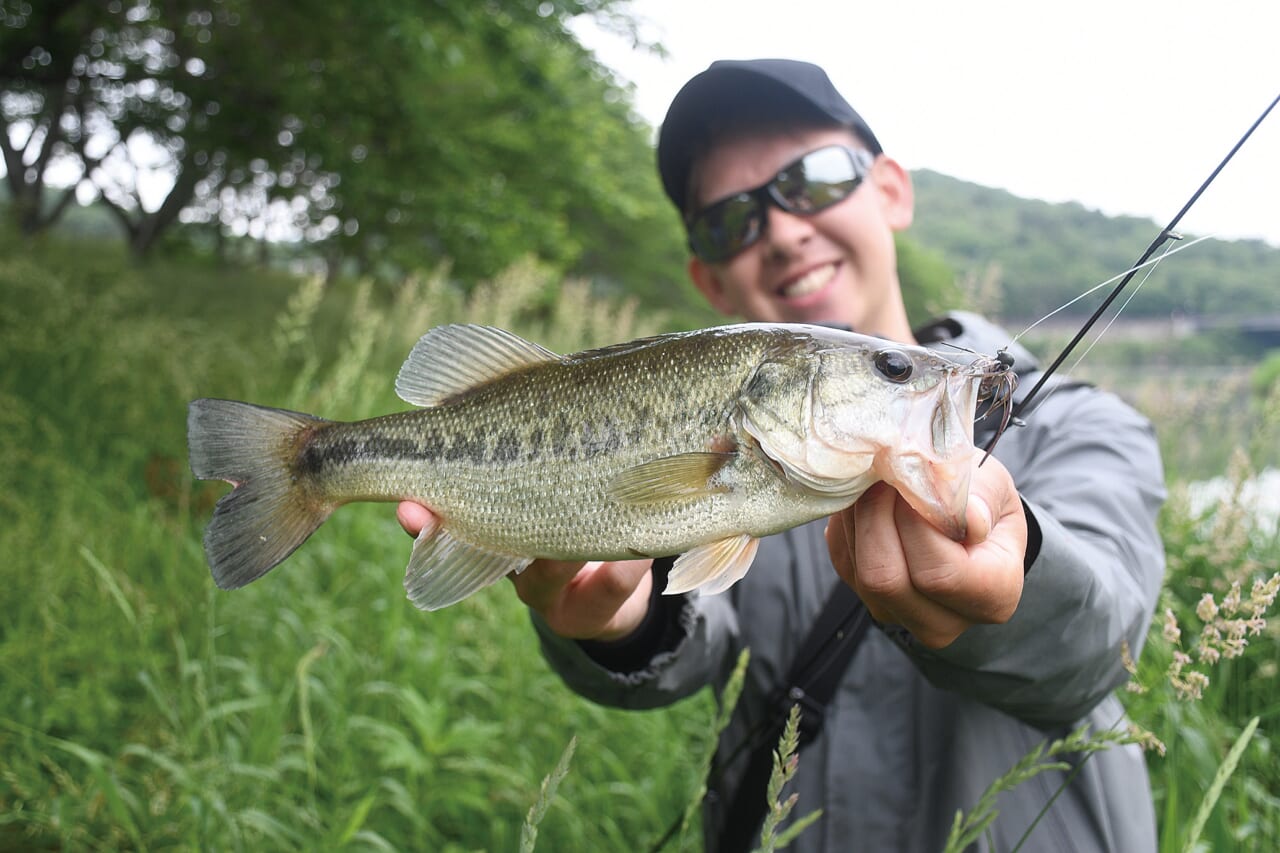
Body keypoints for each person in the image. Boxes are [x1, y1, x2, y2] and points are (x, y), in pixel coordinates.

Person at [398, 59, 1166, 852]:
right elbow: (699, 628)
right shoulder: (771, 465)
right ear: (708, 277)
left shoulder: (1087, 426)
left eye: (815, 179)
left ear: (892, 190)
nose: (783, 231)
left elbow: (1105, 645)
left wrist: (1024, 569)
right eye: (729, 221)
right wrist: (625, 626)